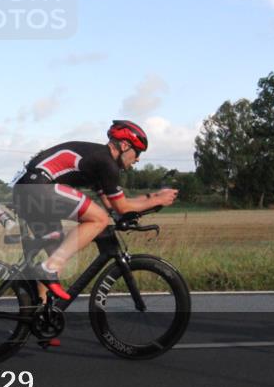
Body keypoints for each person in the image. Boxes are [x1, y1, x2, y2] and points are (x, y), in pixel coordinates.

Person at [11, 120, 179, 303]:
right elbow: (121, 206)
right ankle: (47, 269)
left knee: (58, 252)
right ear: (124, 146)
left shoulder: (98, 161)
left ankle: (41, 313)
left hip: (27, 191)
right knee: (99, 220)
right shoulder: (106, 162)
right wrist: (157, 199)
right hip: (37, 188)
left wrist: (150, 200)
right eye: (137, 153)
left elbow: (113, 206)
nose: (138, 159)